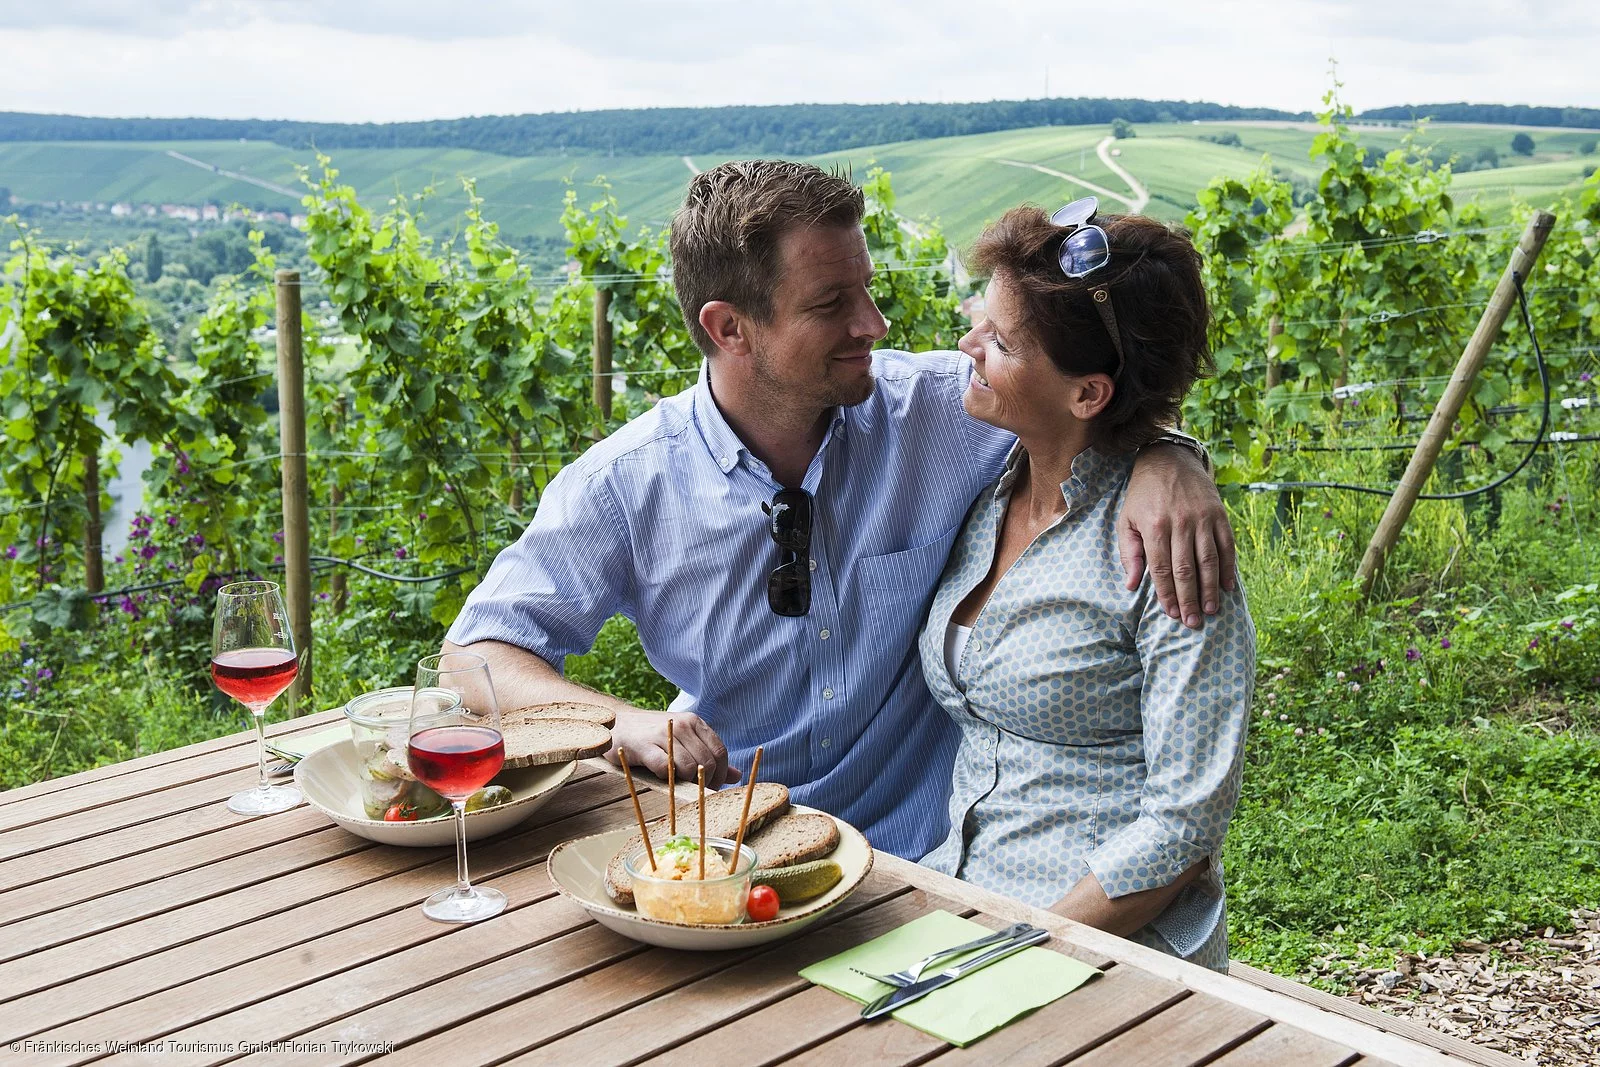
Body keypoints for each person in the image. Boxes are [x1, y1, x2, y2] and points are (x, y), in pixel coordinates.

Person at [442, 161, 1237, 861]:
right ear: (729, 328)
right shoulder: (627, 484)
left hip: (924, 860)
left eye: (866, 288)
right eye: (831, 303)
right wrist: (623, 724)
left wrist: (1168, 455)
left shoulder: (945, 411)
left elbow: (1083, 396)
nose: (874, 324)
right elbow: (475, 655)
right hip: (734, 858)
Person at [917, 202, 1254, 971]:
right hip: (960, 904)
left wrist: (1020, 946)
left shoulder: (1166, 550)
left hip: (1109, 947)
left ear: (1088, 394)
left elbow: (1183, 822)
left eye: (999, 342)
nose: (967, 346)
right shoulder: (989, 482)